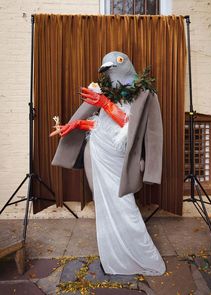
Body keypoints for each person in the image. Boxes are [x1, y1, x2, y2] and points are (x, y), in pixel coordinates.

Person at [50, 52, 166, 276]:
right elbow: (101, 125)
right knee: (104, 205)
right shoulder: (106, 90)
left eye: (115, 64)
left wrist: (104, 102)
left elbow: (130, 126)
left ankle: (142, 258)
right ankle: (112, 258)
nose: (110, 70)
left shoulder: (144, 92)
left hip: (118, 157)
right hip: (97, 151)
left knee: (124, 205)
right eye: (106, 68)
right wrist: (73, 126)